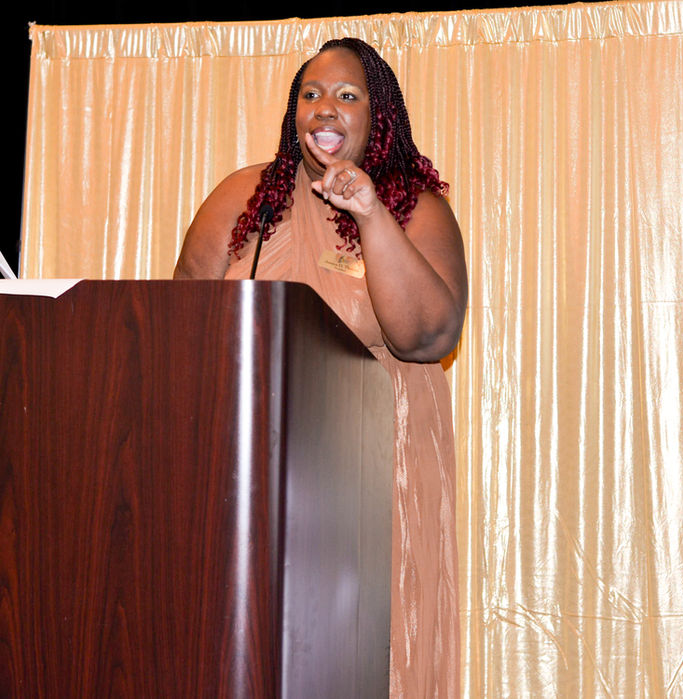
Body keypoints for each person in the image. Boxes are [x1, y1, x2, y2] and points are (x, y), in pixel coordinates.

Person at [174, 37, 466, 697]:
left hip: (371, 484)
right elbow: (180, 329)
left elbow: (427, 333)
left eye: (345, 96)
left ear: (378, 115)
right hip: (250, 482)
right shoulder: (242, 199)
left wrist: (369, 211)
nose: (324, 109)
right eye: (310, 95)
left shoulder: (415, 210)